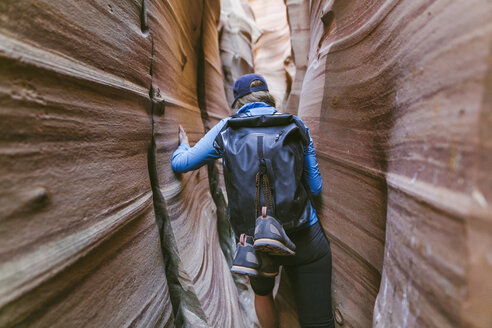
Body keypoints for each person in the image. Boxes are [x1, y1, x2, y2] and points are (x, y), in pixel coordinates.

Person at [171, 74, 334, 328]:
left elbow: (181, 163)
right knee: (319, 321)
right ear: (268, 97)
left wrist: (182, 145)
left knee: (263, 293)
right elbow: (315, 187)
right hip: (302, 234)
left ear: (239, 101)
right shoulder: (295, 125)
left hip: (255, 243)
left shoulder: (227, 129)